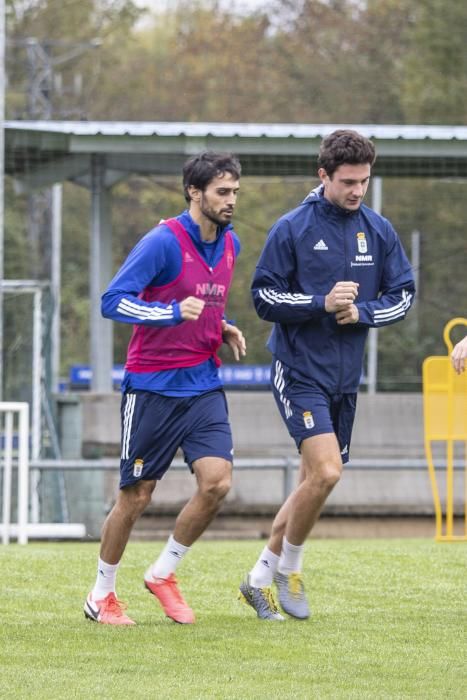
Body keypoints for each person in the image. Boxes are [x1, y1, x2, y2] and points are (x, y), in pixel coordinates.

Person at [238, 129, 415, 621]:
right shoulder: (292, 227)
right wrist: (321, 303)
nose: (357, 190)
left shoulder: (378, 231)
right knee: (328, 473)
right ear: (323, 176)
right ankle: (290, 571)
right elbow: (264, 297)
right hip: (298, 370)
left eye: (364, 180)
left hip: (344, 378)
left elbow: (402, 294)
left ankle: (256, 580)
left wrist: (362, 313)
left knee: (311, 483)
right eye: (347, 181)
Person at [84, 151, 245, 626]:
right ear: (194, 193)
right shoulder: (161, 241)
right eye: (222, 192)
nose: (231, 200)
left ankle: (163, 572)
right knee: (137, 496)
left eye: (235, 191)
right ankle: (101, 595)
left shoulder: (230, 242)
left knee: (217, 483)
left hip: (203, 383)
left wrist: (222, 327)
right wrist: (171, 314)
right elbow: (113, 302)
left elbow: (203, 304)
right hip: (152, 387)